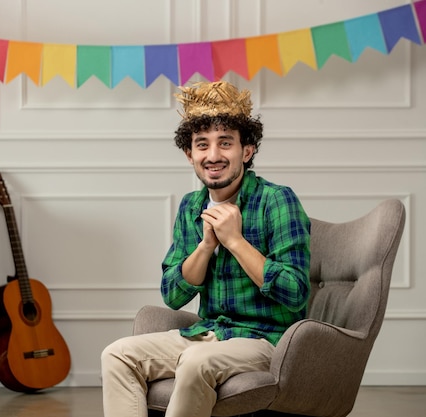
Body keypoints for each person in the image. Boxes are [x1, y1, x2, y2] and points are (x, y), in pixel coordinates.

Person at [100, 81, 311, 417]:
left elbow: (296, 292)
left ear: (247, 150)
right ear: (190, 154)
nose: (213, 155)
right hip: (208, 333)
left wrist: (235, 241)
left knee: (197, 361)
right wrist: (207, 245)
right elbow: (173, 294)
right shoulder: (191, 206)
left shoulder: (277, 200)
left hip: (266, 339)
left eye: (225, 143)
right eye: (202, 145)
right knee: (117, 354)